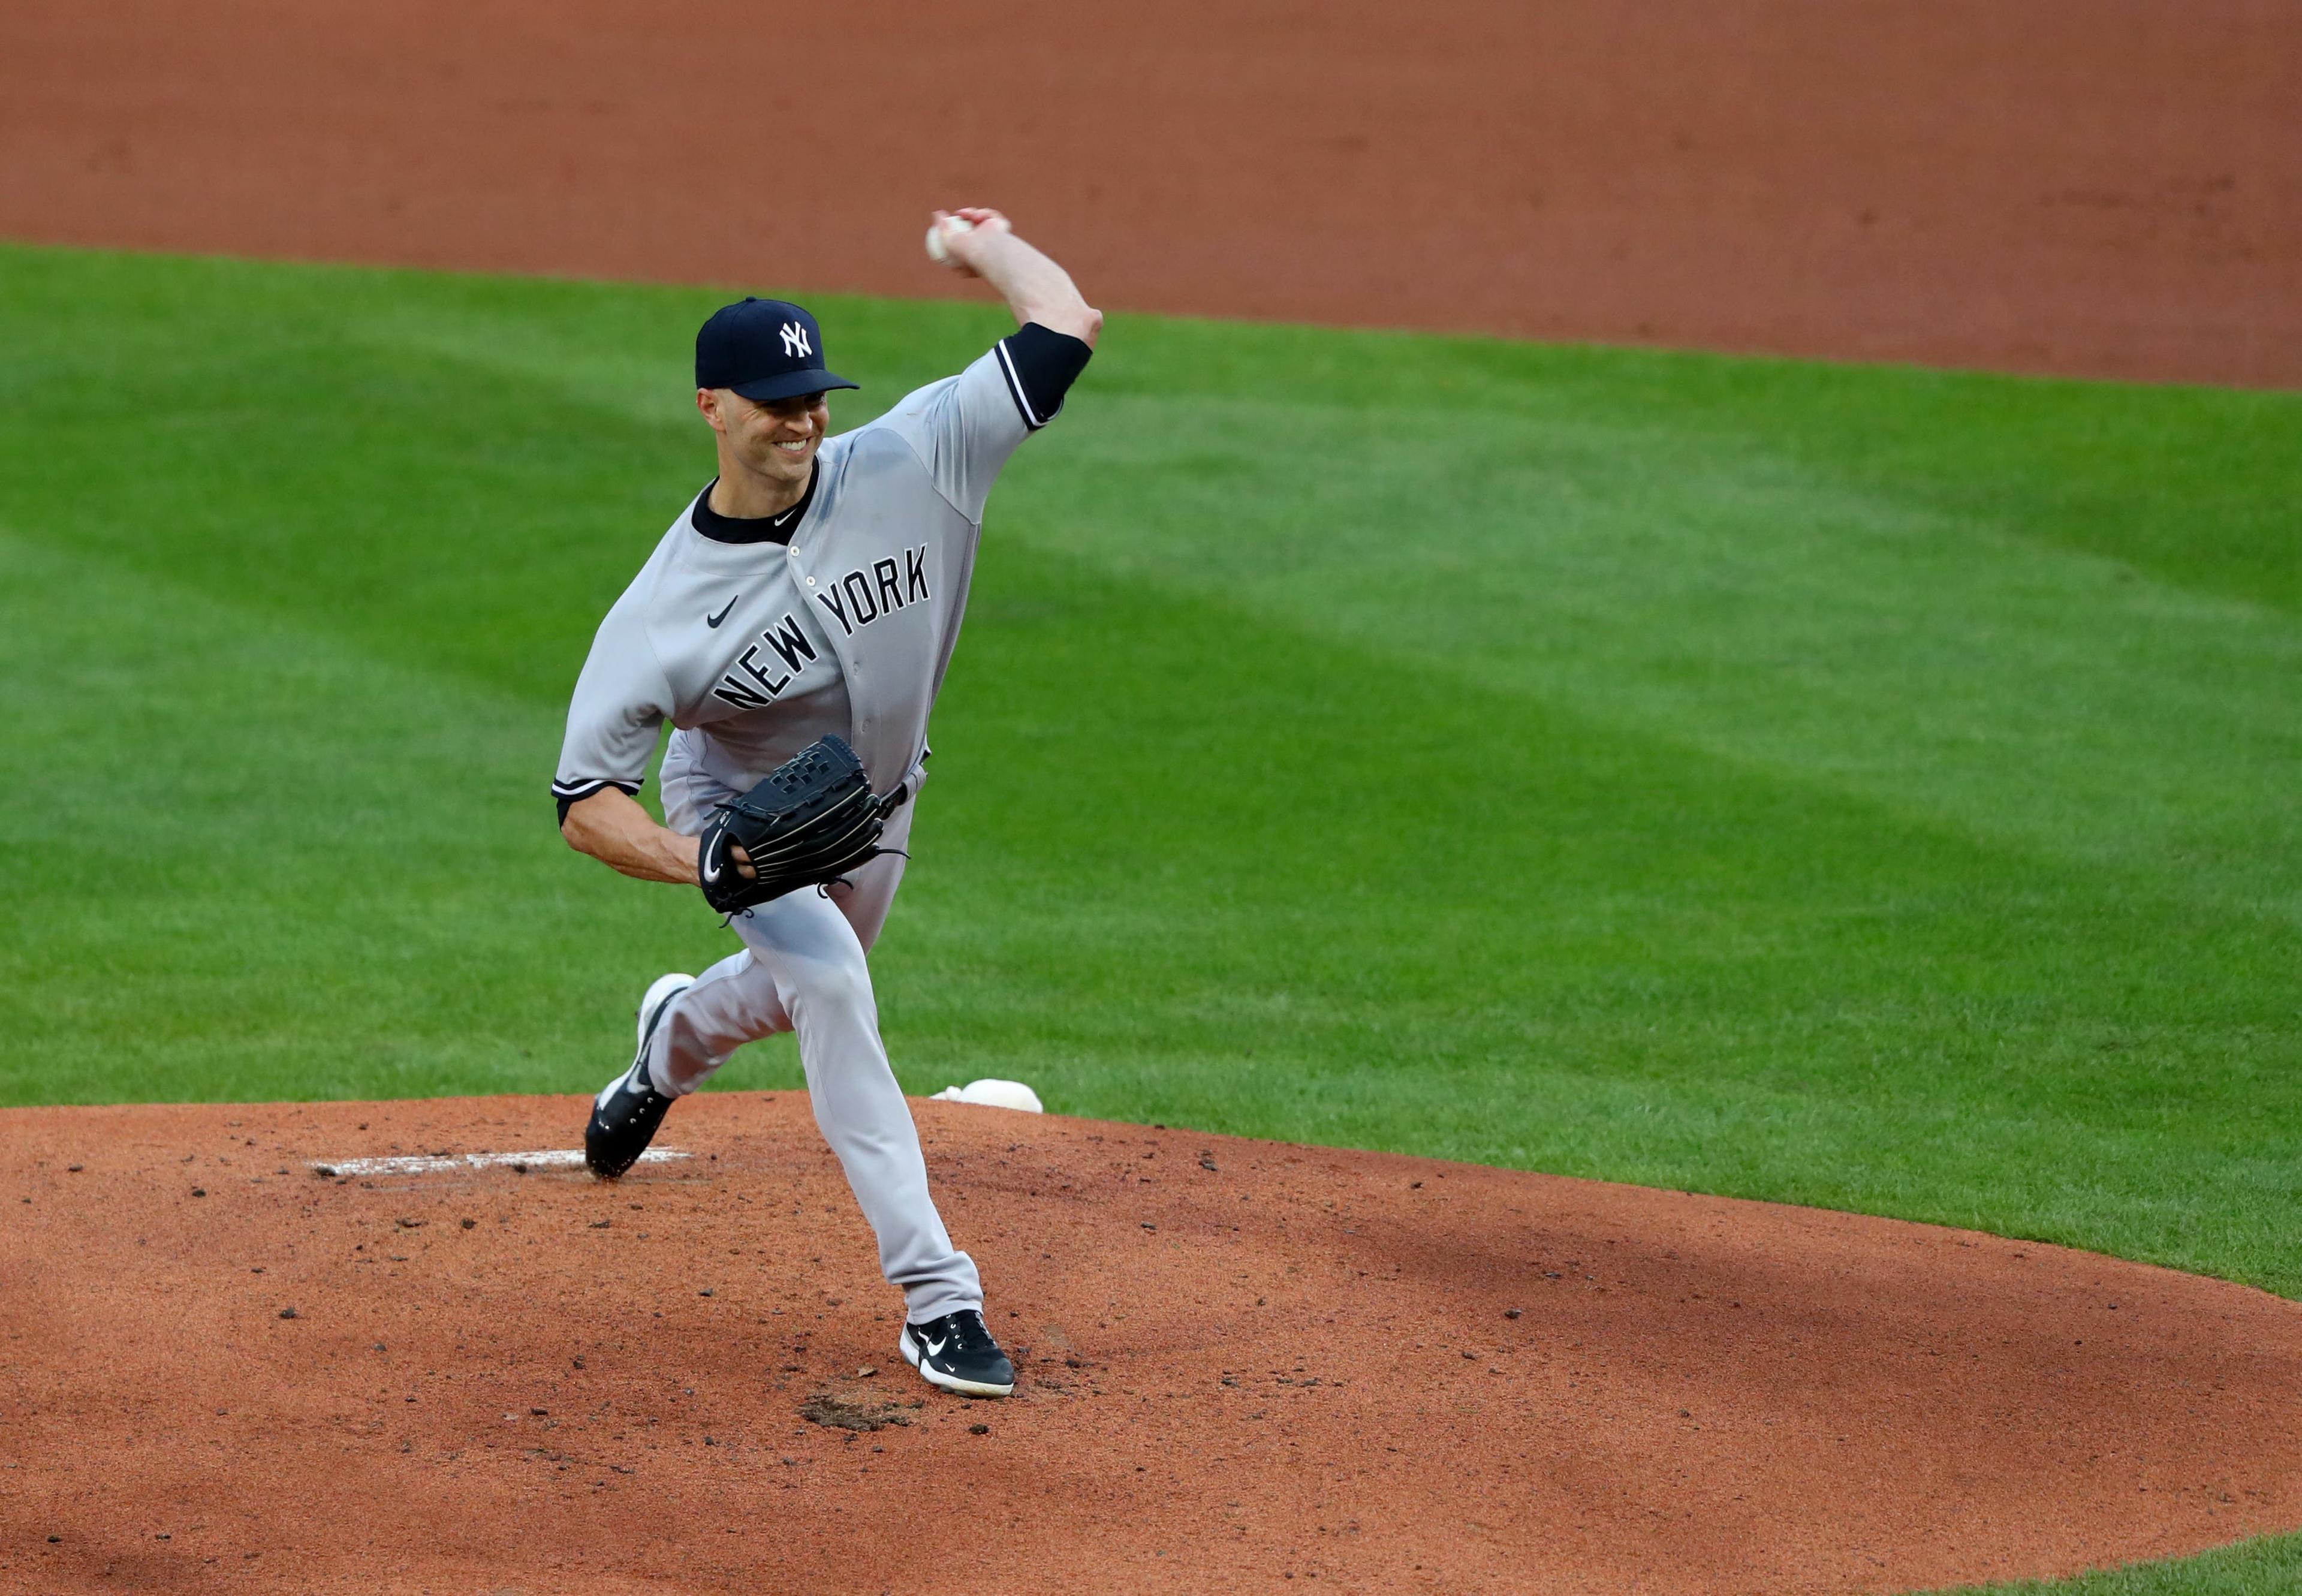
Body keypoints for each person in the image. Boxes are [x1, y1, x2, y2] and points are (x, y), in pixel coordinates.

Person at [550, 209, 1100, 1398]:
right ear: (712, 405)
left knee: (803, 990)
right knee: (835, 986)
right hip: (743, 818)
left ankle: (664, 1048)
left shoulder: (918, 456)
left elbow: (1065, 321)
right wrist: (699, 860)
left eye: (810, 395)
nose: (800, 419)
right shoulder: (659, 614)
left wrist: (986, 245)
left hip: (880, 812)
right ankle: (939, 1296)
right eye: (770, 399)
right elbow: (584, 798)